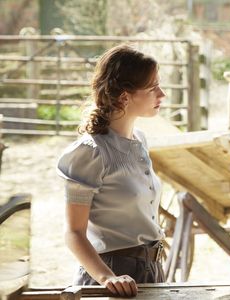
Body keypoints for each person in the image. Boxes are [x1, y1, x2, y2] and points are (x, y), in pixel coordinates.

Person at [57, 44, 166, 297]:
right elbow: (73, 232)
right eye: (153, 88)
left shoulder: (140, 141)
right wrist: (108, 277)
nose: (162, 94)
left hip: (153, 270)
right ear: (125, 97)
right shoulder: (89, 153)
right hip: (113, 274)